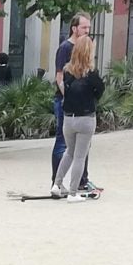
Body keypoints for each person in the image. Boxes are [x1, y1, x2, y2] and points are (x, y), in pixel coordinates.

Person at [51, 35, 105, 200]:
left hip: (69, 117)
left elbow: (63, 87)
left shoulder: (68, 70)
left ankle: (57, 184)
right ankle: (73, 192)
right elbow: (100, 90)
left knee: (69, 152)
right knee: (80, 156)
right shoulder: (91, 73)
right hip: (86, 117)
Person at [51, 11, 94, 191]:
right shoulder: (65, 48)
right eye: (84, 27)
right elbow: (59, 77)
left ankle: (82, 180)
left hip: (82, 106)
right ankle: (56, 180)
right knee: (64, 143)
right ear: (74, 28)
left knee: (83, 146)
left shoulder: (85, 47)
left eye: (88, 28)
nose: (87, 31)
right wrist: (69, 97)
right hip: (66, 103)